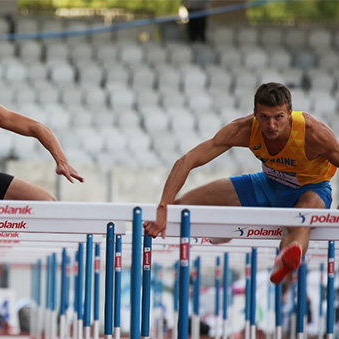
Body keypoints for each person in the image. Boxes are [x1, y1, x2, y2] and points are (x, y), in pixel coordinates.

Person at [144, 82, 339, 284]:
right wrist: (164, 206)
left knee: (301, 221)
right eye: (264, 117)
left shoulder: (313, 133)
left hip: (310, 189)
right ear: (255, 113)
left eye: (278, 117)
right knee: (181, 207)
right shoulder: (244, 129)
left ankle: (286, 258)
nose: (271, 125)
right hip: (267, 184)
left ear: (290, 113)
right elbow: (187, 160)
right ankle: (224, 229)